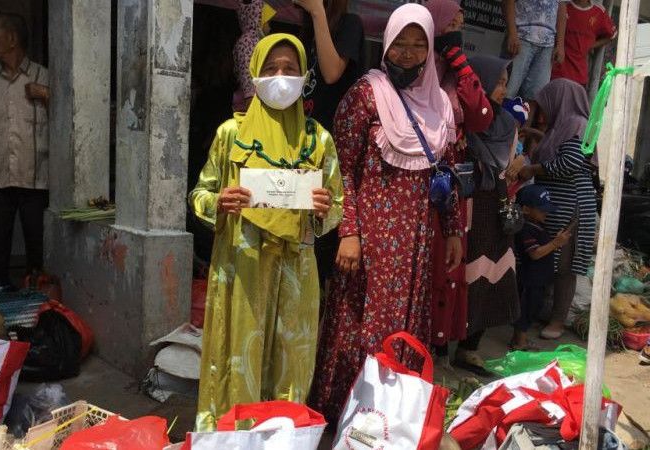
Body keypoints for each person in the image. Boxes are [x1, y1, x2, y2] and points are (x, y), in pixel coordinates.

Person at [309, 4, 462, 423]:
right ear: (386, 45)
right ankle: (342, 416)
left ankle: (388, 421)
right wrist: (349, 231)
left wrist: (451, 231)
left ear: (430, 52)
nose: (408, 54)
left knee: (405, 327)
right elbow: (339, 168)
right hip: (368, 243)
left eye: (418, 46)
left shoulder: (440, 107)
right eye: (400, 44)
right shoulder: (366, 94)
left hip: (414, 243)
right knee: (357, 329)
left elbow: (445, 173)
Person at [189, 33, 343, 431]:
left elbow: (337, 206)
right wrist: (218, 202)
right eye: (270, 68)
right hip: (242, 269)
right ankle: (233, 436)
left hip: (296, 273)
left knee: (290, 362)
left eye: (290, 69)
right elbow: (199, 195)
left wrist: (323, 212)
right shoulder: (230, 135)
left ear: (304, 76)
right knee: (238, 356)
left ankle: (282, 438)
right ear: (255, 75)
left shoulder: (318, 139)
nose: (280, 77)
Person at [425, 0, 493, 367]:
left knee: (450, 261)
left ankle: (439, 344)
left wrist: (459, 61)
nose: (462, 22)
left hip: (451, 187)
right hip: (419, 181)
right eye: (455, 16)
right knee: (427, 261)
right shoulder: (419, 70)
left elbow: (481, 116)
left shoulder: (455, 73)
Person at [0, 11, 50, 291]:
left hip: (36, 178)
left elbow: (69, 122)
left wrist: (47, 95)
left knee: (37, 246)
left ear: (13, 39)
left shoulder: (45, 77)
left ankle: (37, 299)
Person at [454, 55, 521, 376]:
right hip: (466, 204)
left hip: (494, 208)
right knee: (458, 273)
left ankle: (469, 347)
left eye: (506, 83)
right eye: (498, 82)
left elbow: (507, 167)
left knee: (491, 274)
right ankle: (442, 343)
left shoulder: (507, 125)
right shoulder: (461, 119)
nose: (502, 89)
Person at [518, 78, 596, 340]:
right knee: (550, 259)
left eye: (546, 104)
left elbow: (570, 161)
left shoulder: (577, 125)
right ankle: (540, 312)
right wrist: (536, 136)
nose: (542, 112)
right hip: (557, 204)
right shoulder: (561, 126)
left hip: (572, 205)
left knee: (564, 265)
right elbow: (558, 148)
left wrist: (533, 169)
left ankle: (558, 321)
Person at [295, 0, 363, 290]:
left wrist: (317, 12)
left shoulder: (350, 25)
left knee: (320, 246)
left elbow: (332, 72)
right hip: (302, 152)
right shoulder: (306, 29)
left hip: (333, 155)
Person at [512, 184, 570, 351]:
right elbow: (535, 253)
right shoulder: (525, 229)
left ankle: (517, 339)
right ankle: (520, 342)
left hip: (538, 279)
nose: (546, 212)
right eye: (541, 209)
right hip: (530, 279)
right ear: (526, 209)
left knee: (531, 309)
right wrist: (555, 243)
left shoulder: (537, 226)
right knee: (526, 310)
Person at [502, 0, 566, 102]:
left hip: (547, 45)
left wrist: (560, 44)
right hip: (521, 37)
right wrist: (512, 32)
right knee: (507, 91)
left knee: (535, 97)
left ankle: (525, 118)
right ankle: (501, 118)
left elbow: (562, 7)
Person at [551, 0, 617, 87]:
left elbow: (611, 35)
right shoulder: (563, 6)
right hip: (557, 72)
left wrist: (590, 46)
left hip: (580, 76)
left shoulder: (598, 11)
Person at [231, 0, 275, 112]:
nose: (270, 28)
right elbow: (247, 74)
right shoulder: (247, 42)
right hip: (250, 103)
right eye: (267, 22)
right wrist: (250, 101)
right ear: (257, 20)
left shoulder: (257, 41)